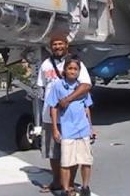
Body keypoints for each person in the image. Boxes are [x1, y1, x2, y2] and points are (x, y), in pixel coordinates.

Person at [37, 33, 92, 193]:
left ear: (66, 45)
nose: (58, 47)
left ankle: (69, 184)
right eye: (54, 44)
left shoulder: (75, 64)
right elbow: (42, 86)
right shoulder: (46, 64)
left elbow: (86, 86)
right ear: (50, 47)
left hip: (71, 117)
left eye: (61, 44)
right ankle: (57, 181)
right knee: (53, 152)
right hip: (50, 115)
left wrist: (67, 100)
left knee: (72, 153)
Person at [47, 57, 94, 196]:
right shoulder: (57, 86)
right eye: (70, 68)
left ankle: (85, 187)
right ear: (65, 70)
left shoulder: (82, 87)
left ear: (79, 72)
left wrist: (91, 127)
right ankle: (66, 189)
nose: (72, 71)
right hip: (67, 130)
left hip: (83, 128)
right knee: (66, 162)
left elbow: (87, 108)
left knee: (86, 161)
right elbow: (54, 108)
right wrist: (55, 128)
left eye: (75, 69)